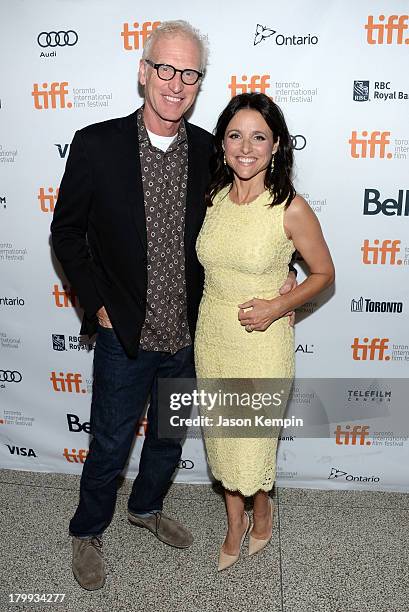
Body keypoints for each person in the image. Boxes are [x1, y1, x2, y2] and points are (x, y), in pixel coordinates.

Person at [51, 21, 297, 589]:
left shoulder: (214, 150)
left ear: (197, 83)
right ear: (144, 73)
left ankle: (147, 506)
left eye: (189, 74)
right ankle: (87, 530)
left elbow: (245, 218)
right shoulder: (95, 144)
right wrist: (97, 305)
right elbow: (66, 233)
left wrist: (281, 268)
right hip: (124, 334)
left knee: (167, 434)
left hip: (192, 333)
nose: (176, 83)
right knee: (110, 440)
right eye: (166, 68)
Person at [195, 92, 335, 570]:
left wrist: (278, 304)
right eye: (235, 135)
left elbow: (323, 274)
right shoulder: (212, 198)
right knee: (222, 436)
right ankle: (235, 523)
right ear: (223, 143)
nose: (246, 147)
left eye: (259, 136)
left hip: (262, 345)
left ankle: (262, 509)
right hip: (213, 338)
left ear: (276, 145)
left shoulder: (289, 207)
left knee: (252, 440)